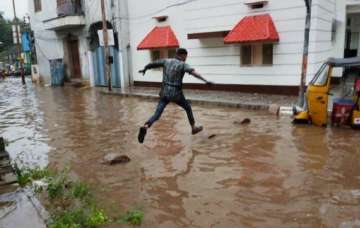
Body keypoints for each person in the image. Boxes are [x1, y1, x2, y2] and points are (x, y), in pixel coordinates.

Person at [137, 48, 213, 144]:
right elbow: (194, 73)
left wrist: (145, 69)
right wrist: (205, 80)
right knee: (188, 107)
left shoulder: (166, 61)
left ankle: (146, 126)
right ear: (182, 55)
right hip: (176, 93)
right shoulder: (183, 65)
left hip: (164, 93)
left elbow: (152, 64)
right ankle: (193, 128)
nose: (186, 58)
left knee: (157, 114)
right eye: (185, 56)